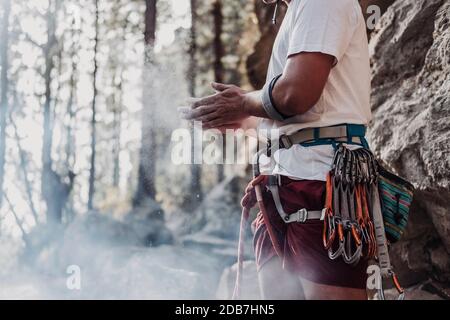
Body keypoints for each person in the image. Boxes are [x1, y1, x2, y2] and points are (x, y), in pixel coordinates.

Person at [185, 0, 372, 300]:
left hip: (320, 185)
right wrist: (248, 118)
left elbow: (296, 93)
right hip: (283, 187)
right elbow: (314, 111)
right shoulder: (301, 9)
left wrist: (244, 103)